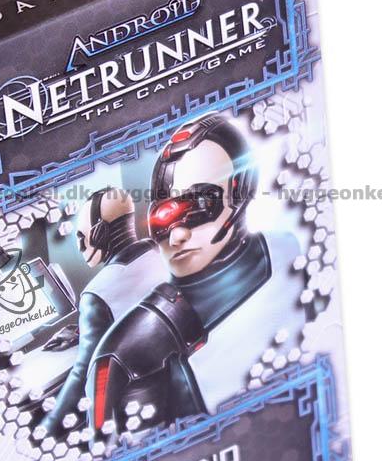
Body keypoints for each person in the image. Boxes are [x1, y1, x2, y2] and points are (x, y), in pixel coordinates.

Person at [87, 113, 302, 436]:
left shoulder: (289, 248)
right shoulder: (130, 355)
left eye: (200, 205)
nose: (176, 236)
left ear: (241, 191)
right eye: (162, 219)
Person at [41, 186, 165, 436]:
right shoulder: (159, 251)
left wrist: (45, 430)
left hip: (131, 419)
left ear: (99, 233)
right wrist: (85, 329)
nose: (80, 245)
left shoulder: (96, 294)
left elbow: (82, 376)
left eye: (82, 236)